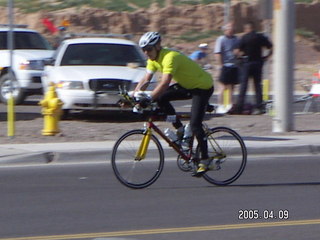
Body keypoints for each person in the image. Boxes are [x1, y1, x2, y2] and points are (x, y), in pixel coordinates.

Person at [134, 32, 214, 175]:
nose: (146, 53)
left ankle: (205, 160)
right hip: (188, 85)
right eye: (144, 50)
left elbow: (164, 83)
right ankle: (181, 130)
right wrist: (134, 95)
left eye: (149, 49)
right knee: (161, 98)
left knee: (196, 124)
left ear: (158, 46)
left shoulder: (169, 57)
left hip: (202, 87)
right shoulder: (152, 59)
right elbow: (145, 80)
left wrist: (149, 98)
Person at [229, 21, 273, 115]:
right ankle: (259, 107)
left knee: (243, 86)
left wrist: (240, 55)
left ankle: (240, 107)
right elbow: (271, 47)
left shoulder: (244, 37)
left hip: (247, 63)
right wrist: (266, 57)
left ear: (247, 29)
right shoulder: (260, 37)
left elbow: (236, 51)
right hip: (258, 62)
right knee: (257, 85)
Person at [214, 22, 239, 113]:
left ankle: (230, 105)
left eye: (233, 28)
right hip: (225, 65)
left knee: (231, 87)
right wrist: (220, 65)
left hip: (234, 65)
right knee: (223, 86)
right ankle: (220, 105)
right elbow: (217, 53)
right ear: (226, 29)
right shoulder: (221, 39)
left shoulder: (236, 39)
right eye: (229, 28)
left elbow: (238, 50)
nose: (231, 30)